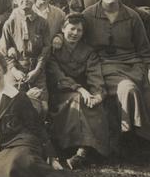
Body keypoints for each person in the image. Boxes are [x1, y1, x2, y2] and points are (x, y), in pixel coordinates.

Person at [0, 48, 96, 177]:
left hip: (20, 142)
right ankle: (50, 175)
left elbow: (36, 126)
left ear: (4, 70)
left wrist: (51, 155)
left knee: (22, 161)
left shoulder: (16, 96)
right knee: (3, 172)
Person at [83, 0, 150, 154]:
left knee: (144, 91)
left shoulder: (132, 15)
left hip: (131, 64)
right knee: (128, 89)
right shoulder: (89, 15)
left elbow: (143, 46)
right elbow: (74, 36)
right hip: (102, 66)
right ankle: (127, 138)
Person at [47, 12, 111, 168]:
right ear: (63, 29)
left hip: (83, 92)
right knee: (77, 99)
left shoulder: (88, 51)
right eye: (72, 29)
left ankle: (85, 152)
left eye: (79, 30)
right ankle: (76, 150)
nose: (75, 33)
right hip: (59, 93)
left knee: (93, 104)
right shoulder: (54, 49)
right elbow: (57, 76)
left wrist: (98, 95)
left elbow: (95, 74)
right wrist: (80, 89)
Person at [0, 0, 51, 117]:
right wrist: (14, 70)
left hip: (36, 69)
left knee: (43, 107)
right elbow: (4, 49)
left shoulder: (42, 23)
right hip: (17, 68)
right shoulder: (9, 24)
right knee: (11, 104)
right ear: (16, 0)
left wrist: (37, 70)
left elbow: (46, 49)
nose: (25, 0)